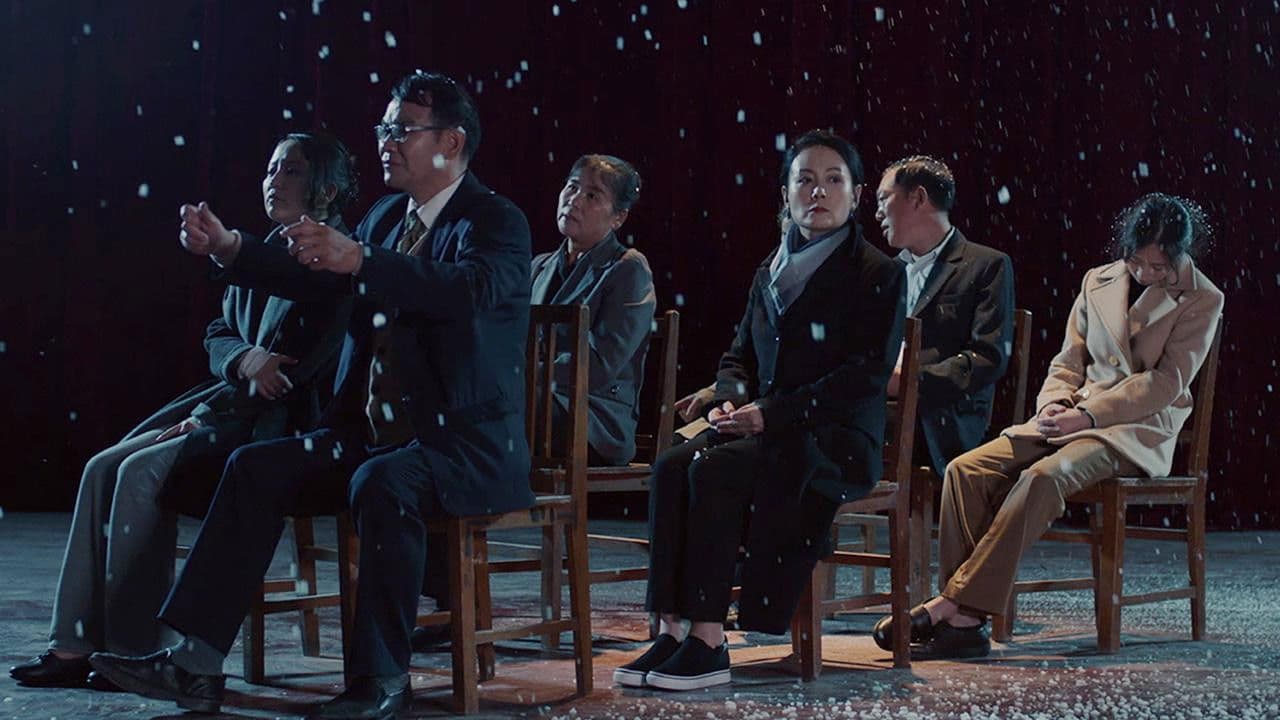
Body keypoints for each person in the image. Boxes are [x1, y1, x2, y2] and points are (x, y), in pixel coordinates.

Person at [87, 71, 533, 720]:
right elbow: (318, 282)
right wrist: (232, 248)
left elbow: (470, 292)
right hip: (368, 436)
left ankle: (380, 682)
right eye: (384, 128)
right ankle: (195, 663)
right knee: (255, 466)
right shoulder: (385, 218)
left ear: (452, 141)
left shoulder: (494, 220)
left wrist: (364, 261)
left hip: (459, 444)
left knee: (383, 482)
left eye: (402, 130)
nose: (386, 142)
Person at [8, 132, 356, 691]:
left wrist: (221, 405)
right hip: (227, 401)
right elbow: (218, 330)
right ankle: (72, 644)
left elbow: (298, 371)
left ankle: (130, 648)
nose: (273, 180)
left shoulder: (334, 257)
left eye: (290, 170)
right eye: (271, 169)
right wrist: (244, 358)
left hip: (277, 424)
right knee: (100, 467)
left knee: (138, 471)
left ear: (328, 188)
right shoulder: (268, 248)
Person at [614, 130, 906, 691]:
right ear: (785, 193)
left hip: (834, 438)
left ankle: (709, 639)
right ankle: (672, 629)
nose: (817, 192)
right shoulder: (770, 268)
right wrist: (731, 395)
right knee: (671, 465)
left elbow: (865, 376)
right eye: (805, 180)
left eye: (833, 180)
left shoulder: (877, 272)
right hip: (766, 430)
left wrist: (771, 414)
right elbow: (738, 356)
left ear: (856, 195)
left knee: (716, 468)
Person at [877, 192, 1224, 660]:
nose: (1145, 273)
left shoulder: (1203, 297)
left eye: (1159, 267)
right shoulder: (1097, 280)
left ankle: (953, 607)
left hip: (1135, 429)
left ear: (1181, 254)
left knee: (1044, 477)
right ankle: (965, 620)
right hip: (1070, 414)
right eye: (1137, 261)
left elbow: (1163, 384)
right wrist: (1055, 403)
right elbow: (1068, 361)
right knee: (965, 471)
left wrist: (1090, 415)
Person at [874, 155, 1014, 477]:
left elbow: (988, 357)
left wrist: (910, 381)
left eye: (884, 199)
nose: (878, 212)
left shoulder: (986, 265)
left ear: (918, 197)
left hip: (941, 418)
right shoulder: (886, 273)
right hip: (883, 412)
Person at [531, 154, 654, 465]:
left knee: (494, 405)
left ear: (618, 217)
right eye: (572, 187)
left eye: (592, 195)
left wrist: (523, 372)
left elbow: (599, 364)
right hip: (536, 398)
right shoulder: (538, 267)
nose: (574, 200)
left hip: (593, 418)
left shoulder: (628, 268)